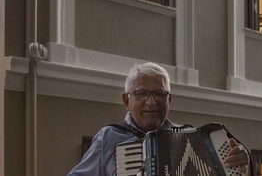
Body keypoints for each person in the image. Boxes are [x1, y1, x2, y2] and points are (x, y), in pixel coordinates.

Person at [68, 62, 250, 175]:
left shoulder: (192, 136)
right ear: (126, 100)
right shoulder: (109, 137)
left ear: (169, 99)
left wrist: (241, 160)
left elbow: (232, 168)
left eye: (160, 94)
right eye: (141, 93)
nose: (151, 102)